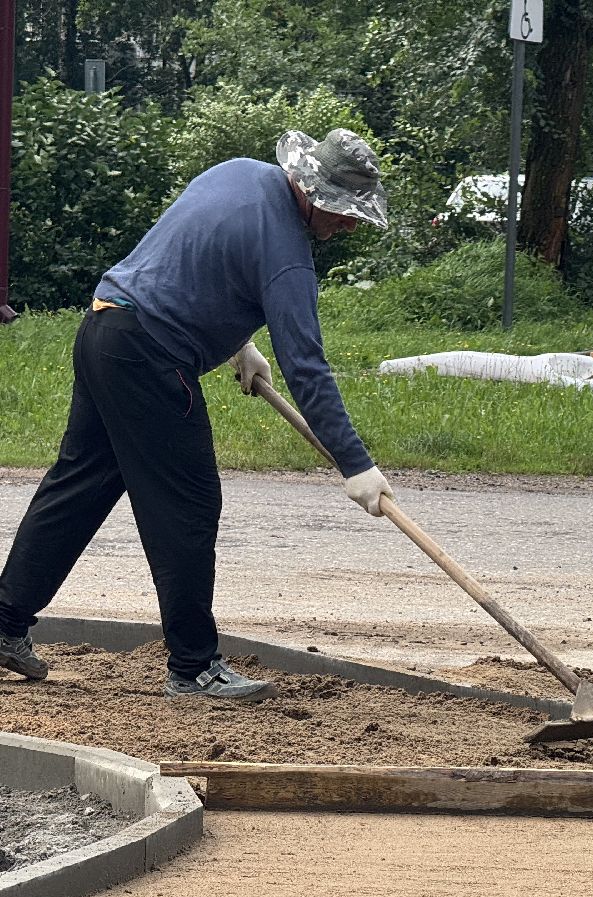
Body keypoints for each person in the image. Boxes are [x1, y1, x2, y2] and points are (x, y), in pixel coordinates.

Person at [0, 128, 395, 701]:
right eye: (341, 210)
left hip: (105, 328)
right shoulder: (288, 256)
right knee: (187, 506)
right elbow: (307, 368)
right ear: (309, 190)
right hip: (151, 359)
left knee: (79, 485)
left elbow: (192, 252)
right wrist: (354, 464)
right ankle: (193, 666)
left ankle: (6, 624)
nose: (349, 223)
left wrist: (239, 343)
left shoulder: (237, 172)